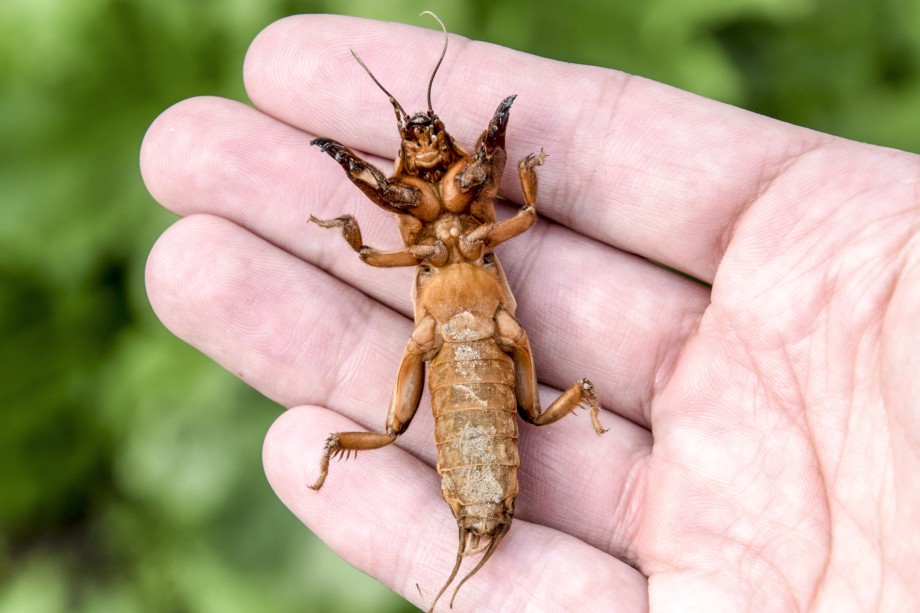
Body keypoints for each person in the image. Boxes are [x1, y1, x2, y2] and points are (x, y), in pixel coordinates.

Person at [141, 14, 920, 612]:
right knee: (398, 422)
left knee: (523, 409)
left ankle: (542, 428)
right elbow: (379, 247)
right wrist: (351, 198)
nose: (420, 149)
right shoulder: (434, 214)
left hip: (469, 346)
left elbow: (509, 215)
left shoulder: (468, 210)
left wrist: (510, 167)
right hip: (449, 355)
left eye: (431, 144)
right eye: (410, 150)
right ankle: (422, 463)